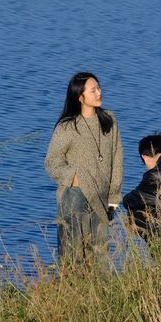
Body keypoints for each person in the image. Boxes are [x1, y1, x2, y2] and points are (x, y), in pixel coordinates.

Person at [45, 72, 123, 262]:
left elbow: (117, 158)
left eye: (99, 87)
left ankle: (97, 292)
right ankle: (69, 290)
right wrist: (74, 177)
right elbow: (52, 163)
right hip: (74, 196)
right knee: (72, 255)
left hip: (102, 198)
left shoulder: (109, 120)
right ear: (80, 97)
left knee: (99, 256)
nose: (99, 92)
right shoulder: (67, 127)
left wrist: (114, 197)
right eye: (93, 90)